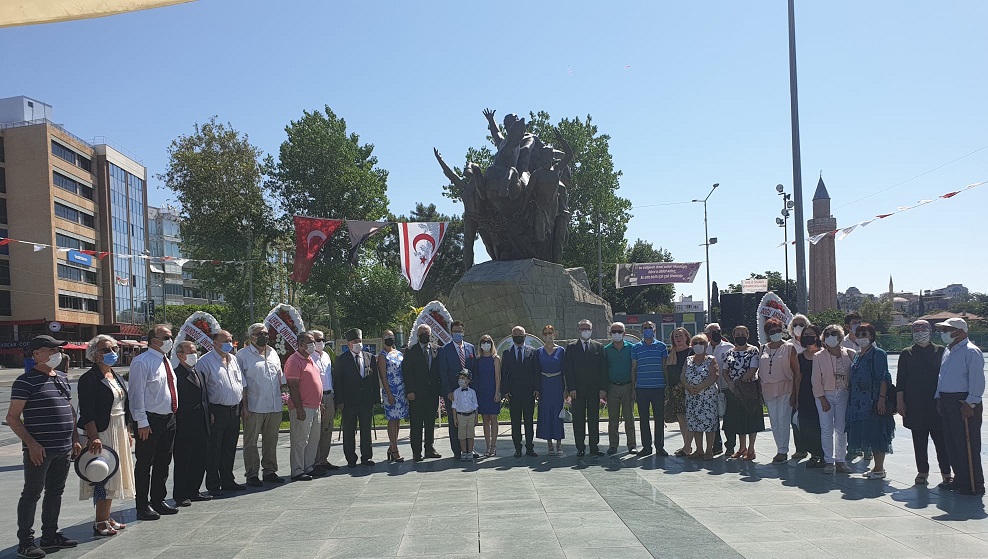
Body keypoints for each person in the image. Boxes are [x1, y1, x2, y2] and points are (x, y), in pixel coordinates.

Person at [8, 336, 82, 558]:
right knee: (32, 493)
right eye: (50, 349)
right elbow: (12, 418)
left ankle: (49, 535)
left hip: (63, 448)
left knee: (55, 492)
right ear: (36, 354)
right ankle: (26, 542)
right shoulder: (25, 381)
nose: (56, 353)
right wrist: (31, 444)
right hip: (39, 450)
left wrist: (75, 438)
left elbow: (69, 410)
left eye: (57, 349)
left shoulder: (61, 377)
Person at [77, 335, 134, 536]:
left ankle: (107, 516)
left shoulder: (115, 375)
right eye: (105, 350)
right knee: (103, 474)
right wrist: (93, 436)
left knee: (115, 474)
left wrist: (127, 430)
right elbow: (87, 411)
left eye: (113, 349)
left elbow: (124, 405)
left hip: (119, 427)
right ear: (94, 354)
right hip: (102, 430)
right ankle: (100, 521)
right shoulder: (89, 379)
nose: (111, 353)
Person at [130, 324, 180, 519]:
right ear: (154, 340)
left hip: (168, 418)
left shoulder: (166, 361)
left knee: (163, 462)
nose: (170, 340)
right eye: (166, 337)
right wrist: (141, 421)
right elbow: (136, 394)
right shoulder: (142, 362)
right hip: (149, 421)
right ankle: (142, 505)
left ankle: (158, 499)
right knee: (145, 464)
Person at [935, 317, 985, 495]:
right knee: (952, 441)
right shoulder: (949, 351)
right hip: (947, 400)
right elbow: (942, 376)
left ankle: (975, 482)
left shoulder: (971, 351)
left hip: (964, 401)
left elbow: (977, 381)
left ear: (960, 331)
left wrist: (970, 403)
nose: (944, 333)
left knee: (967, 442)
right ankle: (960, 478)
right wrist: (938, 397)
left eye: (947, 329)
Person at [898, 320, 950, 486]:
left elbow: (945, 377)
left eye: (923, 328)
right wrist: (900, 401)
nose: (920, 332)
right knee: (919, 440)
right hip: (914, 404)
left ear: (930, 331)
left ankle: (946, 473)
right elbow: (901, 380)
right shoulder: (907, 353)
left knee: (941, 441)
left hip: (936, 404)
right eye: (916, 329)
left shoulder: (941, 351)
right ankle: (922, 472)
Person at [236, 324, 285, 486]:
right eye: (260, 334)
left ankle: (270, 471)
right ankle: (252, 474)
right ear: (251, 337)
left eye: (266, 333)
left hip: (274, 405)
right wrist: (244, 407)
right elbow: (241, 383)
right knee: (251, 442)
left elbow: (280, 378)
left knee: (271, 440)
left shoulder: (273, 353)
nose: (264, 336)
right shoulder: (243, 355)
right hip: (253, 406)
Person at [198, 330, 245, 495]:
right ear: (214, 343)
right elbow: (201, 390)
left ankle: (228, 480)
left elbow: (241, 384)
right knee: (214, 448)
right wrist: (208, 411)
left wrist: (243, 406)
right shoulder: (205, 362)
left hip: (234, 409)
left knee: (229, 447)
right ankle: (213, 483)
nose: (229, 343)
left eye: (231, 340)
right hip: (216, 410)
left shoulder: (233, 359)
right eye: (225, 340)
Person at [846, 322, 895, 480]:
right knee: (867, 433)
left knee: (876, 434)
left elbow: (883, 377)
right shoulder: (857, 355)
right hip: (858, 402)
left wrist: (881, 398)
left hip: (873, 400)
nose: (861, 337)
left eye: (864, 334)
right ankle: (876, 467)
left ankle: (879, 468)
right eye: (858, 334)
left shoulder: (878, 353)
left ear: (871, 336)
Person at [172, 341, 212, 506]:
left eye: (195, 351)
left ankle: (194, 490)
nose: (194, 355)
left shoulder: (199, 373)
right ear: (180, 355)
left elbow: (204, 397)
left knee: (199, 458)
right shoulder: (176, 375)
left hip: (201, 422)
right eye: (190, 352)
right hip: (184, 424)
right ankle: (181, 494)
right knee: (183, 461)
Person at [812, 325, 855, 475]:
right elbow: (816, 380)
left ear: (840, 337)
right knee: (826, 429)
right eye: (828, 334)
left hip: (843, 394)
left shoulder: (849, 354)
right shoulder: (818, 356)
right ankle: (828, 461)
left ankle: (841, 461)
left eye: (834, 333)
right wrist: (822, 398)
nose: (831, 336)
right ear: (824, 338)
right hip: (826, 395)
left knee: (841, 429)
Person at [334, 329, 381, 467]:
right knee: (349, 430)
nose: (358, 344)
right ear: (349, 344)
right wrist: (340, 401)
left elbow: (374, 379)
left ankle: (366, 456)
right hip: (349, 401)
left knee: (366, 430)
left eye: (359, 341)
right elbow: (338, 381)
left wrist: (376, 399)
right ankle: (351, 458)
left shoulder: (369, 357)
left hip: (366, 401)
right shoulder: (342, 359)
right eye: (355, 342)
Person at [563, 319, 608, 457]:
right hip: (577, 390)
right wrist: (572, 388)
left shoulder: (598, 347)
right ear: (578, 330)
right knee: (578, 419)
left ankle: (594, 446)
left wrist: (602, 388)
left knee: (594, 418)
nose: (585, 331)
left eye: (588, 328)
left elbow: (603, 369)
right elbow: (568, 369)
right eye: (583, 328)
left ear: (592, 329)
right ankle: (580, 447)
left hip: (594, 390)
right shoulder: (571, 347)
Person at [285, 332, 323, 480]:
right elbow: (292, 385)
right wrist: (299, 408)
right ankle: (297, 469)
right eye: (310, 342)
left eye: (314, 342)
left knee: (313, 439)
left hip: (315, 406)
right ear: (300, 344)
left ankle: (308, 466)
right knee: (300, 440)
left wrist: (320, 403)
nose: (313, 345)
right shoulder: (294, 361)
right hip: (302, 407)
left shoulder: (310, 359)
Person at [722, 326, 763, 461]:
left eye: (743, 334)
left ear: (747, 334)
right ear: (733, 336)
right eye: (737, 334)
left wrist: (739, 383)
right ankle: (742, 448)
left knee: (751, 419)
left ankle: (751, 449)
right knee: (739, 420)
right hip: (734, 391)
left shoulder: (753, 350)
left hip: (749, 389)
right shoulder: (729, 352)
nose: (740, 336)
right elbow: (724, 370)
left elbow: (753, 369)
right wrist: (730, 384)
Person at [759, 318, 797, 464]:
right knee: (774, 421)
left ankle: (783, 450)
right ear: (767, 334)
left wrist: (795, 392)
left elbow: (796, 371)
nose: (775, 333)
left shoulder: (789, 347)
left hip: (785, 387)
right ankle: (779, 447)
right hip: (768, 389)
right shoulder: (763, 348)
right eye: (772, 331)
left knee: (783, 420)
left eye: (778, 330)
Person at [402, 324, 442, 461]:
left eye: (427, 333)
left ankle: (429, 449)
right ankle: (416, 452)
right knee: (417, 424)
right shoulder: (411, 351)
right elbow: (407, 373)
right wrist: (410, 391)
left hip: (432, 393)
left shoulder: (437, 350)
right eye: (421, 333)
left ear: (431, 334)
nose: (424, 335)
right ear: (417, 335)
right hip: (416, 394)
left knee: (430, 423)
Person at [439, 321, 477, 458]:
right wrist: (448, 391)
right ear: (451, 332)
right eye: (455, 331)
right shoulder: (445, 350)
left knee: (469, 421)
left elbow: (474, 369)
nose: (458, 334)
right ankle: (457, 450)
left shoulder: (471, 348)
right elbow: (443, 373)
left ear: (464, 331)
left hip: (469, 392)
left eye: (460, 331)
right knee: (455, 421)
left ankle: (469, 449)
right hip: (453, 393)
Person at [632, 320, 669, 457]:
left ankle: (659, 446)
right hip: (642, 388)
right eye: (645, 327)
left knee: (659, 418)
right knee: (643, 419)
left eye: (650, 327)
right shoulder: (636, 348)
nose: (648, 329)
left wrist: (667, 385)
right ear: (642, 330)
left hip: (659, 387)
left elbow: (664, 367)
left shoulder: (661, 346)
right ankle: (646, 447)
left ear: (654, 330)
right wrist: (633, 387)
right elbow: (634, 368)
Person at [502, 325, 540, 457]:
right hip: (513, 394)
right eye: (515, 335)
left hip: (529, 393)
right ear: (512, 337)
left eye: (520, 334)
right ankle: (517, 447)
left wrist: (537, 388)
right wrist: (505, 391)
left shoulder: (533, 352)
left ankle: (530, 447)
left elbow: (536, 372)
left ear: (525, 336)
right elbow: (504, 373)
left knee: (529, 422)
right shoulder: (507, 353)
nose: (518, 337)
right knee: (515, 422)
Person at [793, 325, 825, 468]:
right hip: (805, 394)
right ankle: (814, 454)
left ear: (817, 336)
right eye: (806, 335)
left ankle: (825, 455)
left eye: (812, 334)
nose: (809, 337)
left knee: (821, 425)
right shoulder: (799, 356)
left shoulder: (825, 354)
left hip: (822, 394)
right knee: (806, 426)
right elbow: (797, 378)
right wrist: (796, 397)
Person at [684, 334, 720, 460]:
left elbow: (714, 375)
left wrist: (701, 386)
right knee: (695, 424)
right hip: (692, 397)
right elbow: (682, 376)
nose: (698, 345)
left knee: (709, 424)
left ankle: (709, 450)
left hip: (707, 397)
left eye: (701, 343)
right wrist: (688, 387)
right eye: (696, 343)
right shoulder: (688, 359)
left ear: (706, 345)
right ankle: (699, 450)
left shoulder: (710, 359)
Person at [604, 322, 636, 455]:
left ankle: (632, 445)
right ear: (610, 333)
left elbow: (634, 368)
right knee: (613, 419)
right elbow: (604, 370)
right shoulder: (606, 349)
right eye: (613, 331)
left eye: (619, 331)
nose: (616, 333)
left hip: (628, 386)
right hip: (612, 387)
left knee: (629, 417)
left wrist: (634, 387)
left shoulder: (631, 348)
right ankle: (613, 445)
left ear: (624, 333)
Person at [311, 329, 340, 474]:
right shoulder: (309, 357)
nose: (320, 342)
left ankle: (324, 459)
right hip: (318, 397)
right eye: (317, 340)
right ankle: (315, 462)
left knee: (328, 429)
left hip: (329, 395)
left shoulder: (327, 356)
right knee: (317, 430)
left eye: (322, 339)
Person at [378, 329, 409, 463]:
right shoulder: (382, 356)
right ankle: (394, 448)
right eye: (387, 337)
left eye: (391, 336)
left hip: (401, 390)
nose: (390, 339)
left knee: (398, 420)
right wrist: (389, 393)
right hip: (390, 390)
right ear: (383, 339)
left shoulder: (398, 353)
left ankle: (392, 446)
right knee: (392, 419)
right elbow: (383, 376)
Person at [536, 325, 566, 456]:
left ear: (554, 334)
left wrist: (566, 388)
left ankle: (559, 444)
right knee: (546, 413)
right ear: (543, 335)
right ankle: (549, 445)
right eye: (546, 333)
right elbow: (536, 372)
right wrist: (537, 389)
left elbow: (565, 371)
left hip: (557, 384)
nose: (548, 335)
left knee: (557, 414)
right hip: (544, 385)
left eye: (550, 333)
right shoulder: (539, 352)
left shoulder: (561, 351)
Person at [704, 323, 734, 455]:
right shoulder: (704, 348)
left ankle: (730, 445)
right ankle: (716, 445)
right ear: (707, 335)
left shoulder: (729, 347)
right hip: (710, 389)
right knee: (712, 418)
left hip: (727, 388)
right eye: (712, 332)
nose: (716, 333)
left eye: (718, 331)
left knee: (729, 419)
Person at [665, 327, 693, 457]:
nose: (678, 338)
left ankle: (688, 447)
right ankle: (686, 445)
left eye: (680, 335)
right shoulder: (670, 353)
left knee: (689, 418)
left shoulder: (692, 351)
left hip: (689, 389)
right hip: (674, 390)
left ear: (687, 337)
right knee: (681, 418)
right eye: (675, 336)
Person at [474, 334, 502, 457]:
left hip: (492, 391)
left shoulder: (495, 358)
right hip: (482, 392)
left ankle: (493, 446)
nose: (486, 344)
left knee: (493, 418)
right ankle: (487, 445)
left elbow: (497, 377)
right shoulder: (478, 359)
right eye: (483, 342)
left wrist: (497, 392)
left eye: (488, 341)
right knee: (485, 419)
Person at [452, 369, 479, 461]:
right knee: (462, 435)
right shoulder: (456, 392)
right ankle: (463, 452)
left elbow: (475, 405)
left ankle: (470, 451)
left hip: (471, 415)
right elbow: (454, 406)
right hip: (461, 416)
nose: (461, 380)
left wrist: (476, 417)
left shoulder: (472, 392)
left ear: (468, 380)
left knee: (471, 435)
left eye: (463, 378)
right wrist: (455, 418)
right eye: (459, 378)